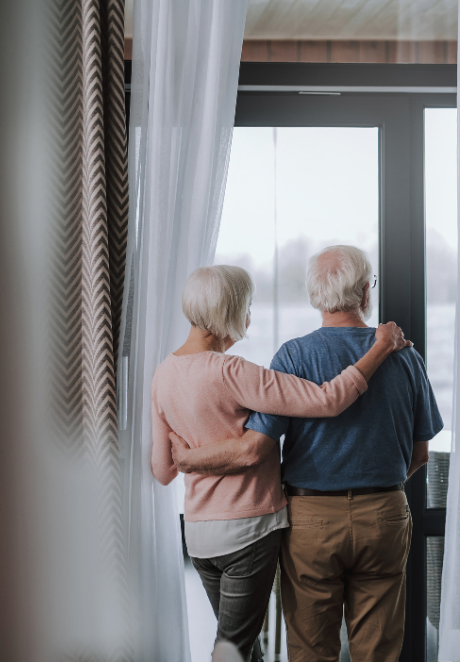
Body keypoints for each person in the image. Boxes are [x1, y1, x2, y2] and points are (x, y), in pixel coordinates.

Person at [169, 246, 442, 662]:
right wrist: (378, 489)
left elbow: (255, 446)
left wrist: (187, 459)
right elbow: (421, 452)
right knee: (380, 651)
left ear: (316, 297)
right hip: (384, 510)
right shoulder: (404, 355)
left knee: (311, 649)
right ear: (365, 295)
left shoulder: (293, 357)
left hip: (310, 520)